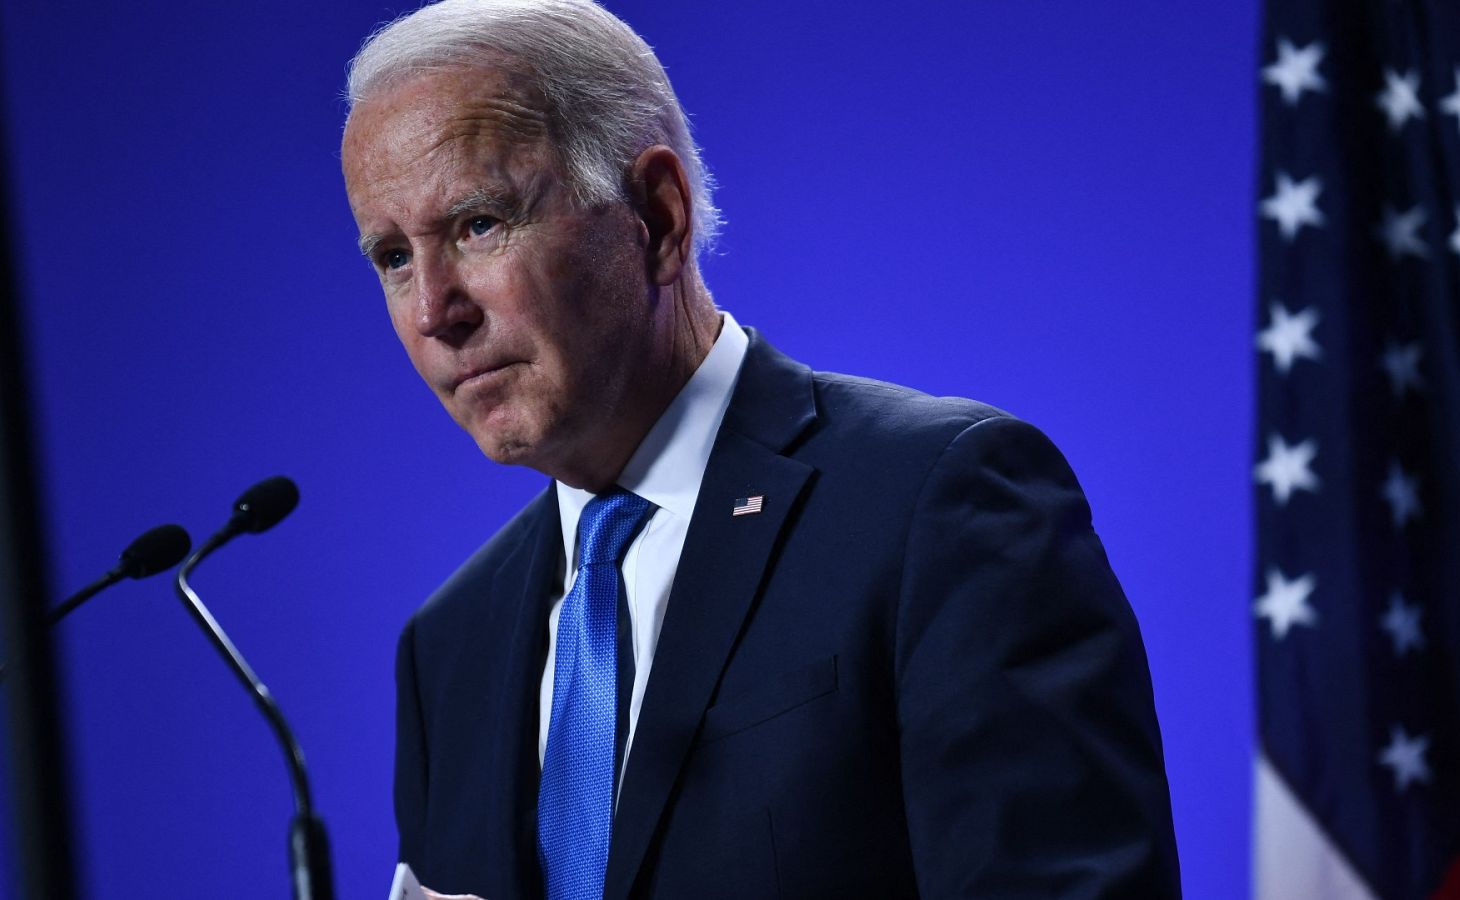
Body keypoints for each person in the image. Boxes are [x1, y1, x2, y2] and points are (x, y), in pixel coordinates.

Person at [340, 1, 1181, 897]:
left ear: (656, 219)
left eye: (478, 224)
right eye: (393, 257)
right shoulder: (448, 647)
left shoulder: (938, 504)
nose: (435, 311)